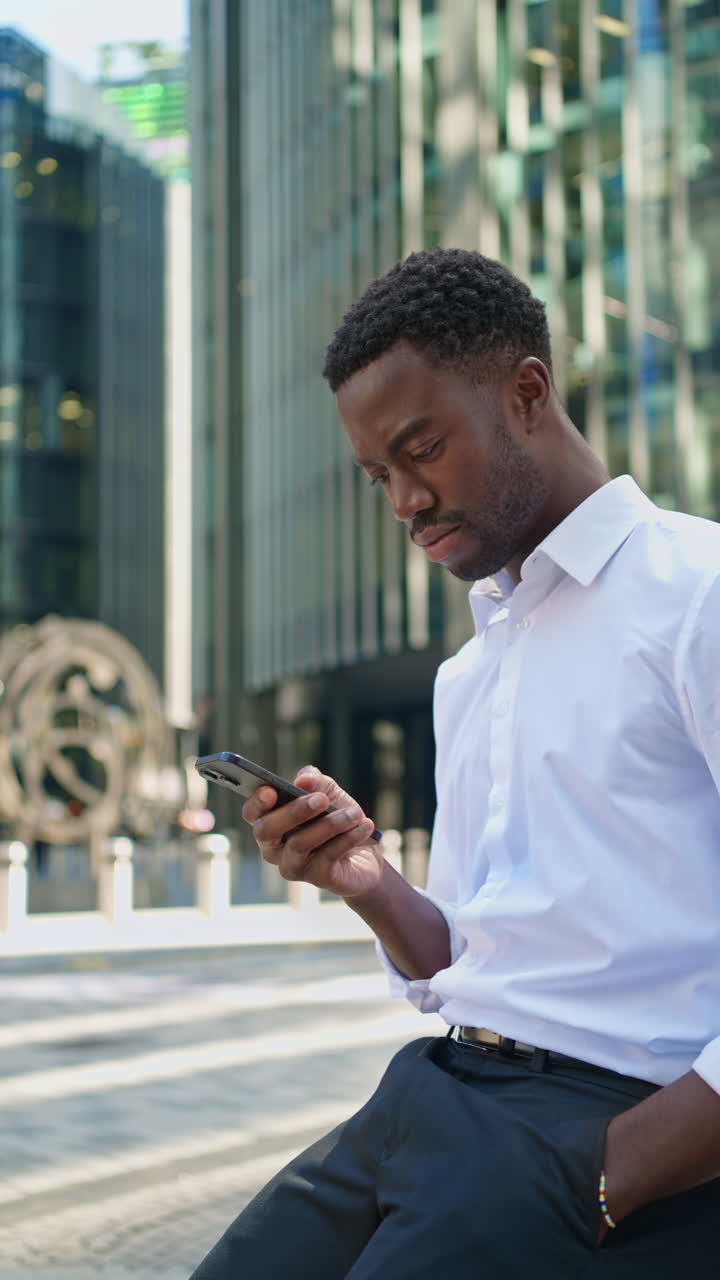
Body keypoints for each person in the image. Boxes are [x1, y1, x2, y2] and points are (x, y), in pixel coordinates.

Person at [190, 249, 720, 1278]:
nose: (403, 499)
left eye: (419, 447)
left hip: (605, 1126)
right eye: (379, 474)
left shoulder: (698, 593)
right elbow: (468, 960)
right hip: (429, 1092)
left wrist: (609, 1174)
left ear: (526, 393)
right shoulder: (472, 669)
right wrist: (367, 882)